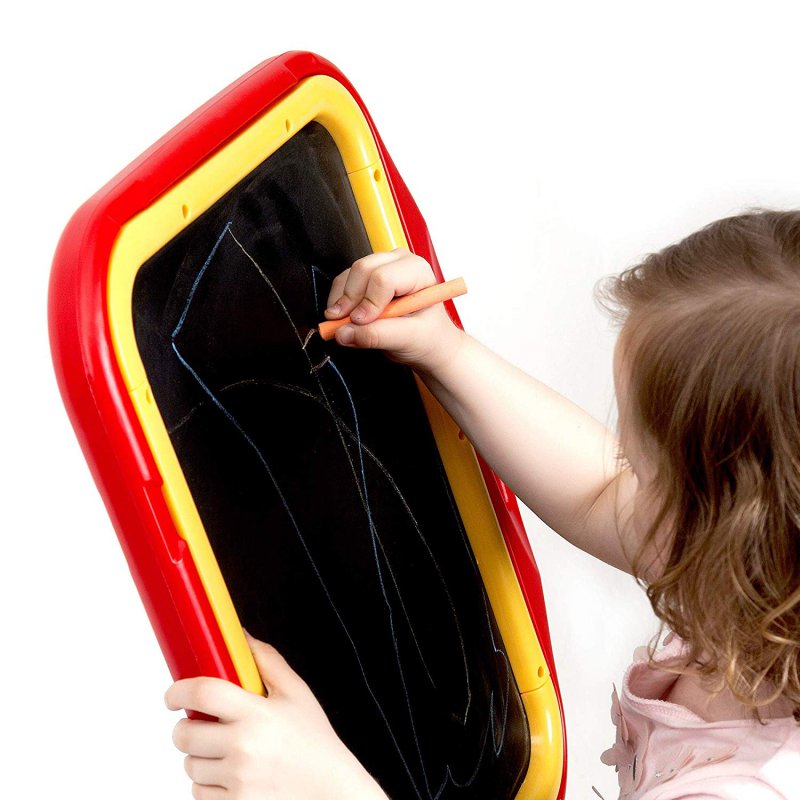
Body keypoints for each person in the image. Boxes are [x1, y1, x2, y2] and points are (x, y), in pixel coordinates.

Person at [165, 209, 800, 799]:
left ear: (726, 531)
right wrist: (443, 351)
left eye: (638, 465)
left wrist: (328, 787)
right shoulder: (764, 587)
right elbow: (596, 492)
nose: (622, 481)